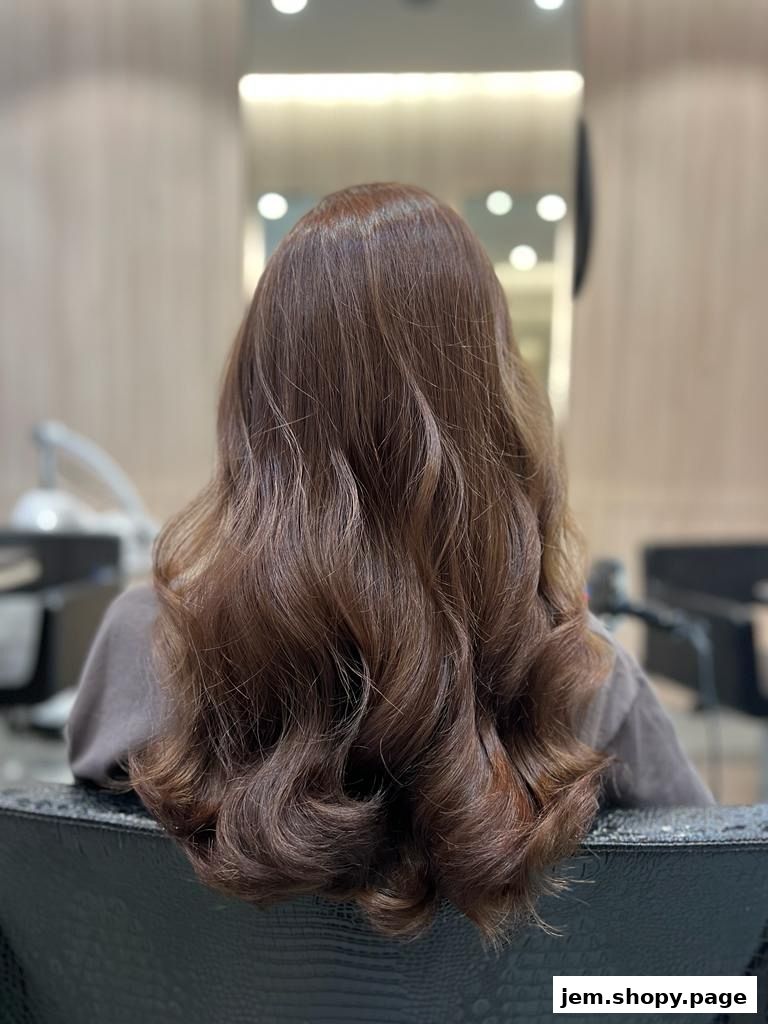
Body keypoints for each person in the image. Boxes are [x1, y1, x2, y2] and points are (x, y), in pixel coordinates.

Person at [67, 183, 712, 942]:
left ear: (256, 400)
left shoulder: (143, 643)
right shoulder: (582, 678)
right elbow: (714, 923)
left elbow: (83, 908)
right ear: (494, 405)